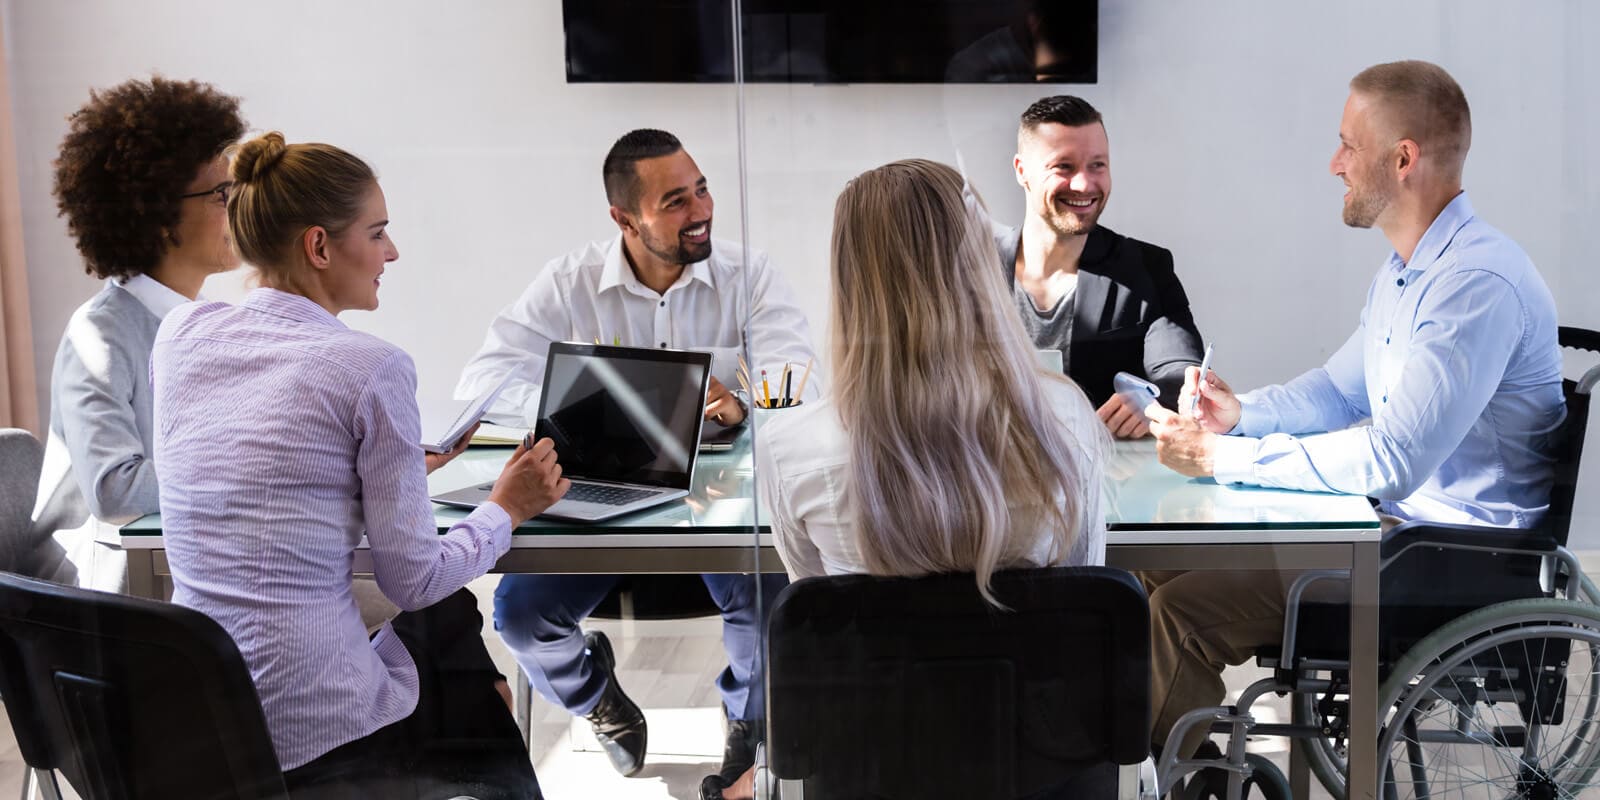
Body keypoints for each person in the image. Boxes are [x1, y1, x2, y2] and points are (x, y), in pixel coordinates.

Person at [1144, 60, 1566, 760]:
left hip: (1448, 565)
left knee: (1178, 614)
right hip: (1399, 540)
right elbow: (1340, 391)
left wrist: (1224, 459)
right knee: (1156, 566)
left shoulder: (1474, 285)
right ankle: (1174, 762)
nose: (1333, 163)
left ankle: (1195, 779)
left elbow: (1394, 460)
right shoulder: (1408, 269)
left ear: (1403, 160)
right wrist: (1239, 414)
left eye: (1348, 144)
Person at [152, 131, 569, 798]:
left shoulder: (180, 335)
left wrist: (397, 468)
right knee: (454, 641)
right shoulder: (370, 368)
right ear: (319, 246)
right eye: (376, 233)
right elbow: (415, 580)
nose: (392, 252)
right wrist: (507, 506)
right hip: (318, 732)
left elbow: (267, 472)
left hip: (208, 719)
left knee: (450, 644)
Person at [732, 158, 1110, 800]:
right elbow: (1083, 594)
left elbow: (818, 613)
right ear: (975, 270)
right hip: (1039, 767)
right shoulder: (1063, 418)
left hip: (868, 766)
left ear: (851, 279)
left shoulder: (792, 446)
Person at [454, 128, 808, 780]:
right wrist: (605, 403)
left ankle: (744, 732)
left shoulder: (748, 275)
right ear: (624, 218)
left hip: (717, 509)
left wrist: (743, 406)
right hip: (602, 501)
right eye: (675, 201)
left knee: (771, 607)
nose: (700, 210)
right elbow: (482, 384)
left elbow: (794, 382)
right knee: (520, 615)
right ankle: (596, 697)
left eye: (700, 189)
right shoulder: (570, 283)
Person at [27, 77, 244, 590]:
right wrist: (252, 472)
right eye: (222, 193)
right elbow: (115, 491)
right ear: (160, 214)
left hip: (185, 568)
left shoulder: (211, 323)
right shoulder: (98, 337)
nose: (240, 206)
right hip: (106, 600)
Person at [1001, 95, 1204, 440]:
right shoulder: (968, 269)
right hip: (982, 478)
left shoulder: (1146, 268)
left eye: (1097, 165)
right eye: (1063, 166)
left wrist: (1149, 399)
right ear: (1022, 171)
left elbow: (1180, 372)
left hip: (1106, 478)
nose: (1084, 184)